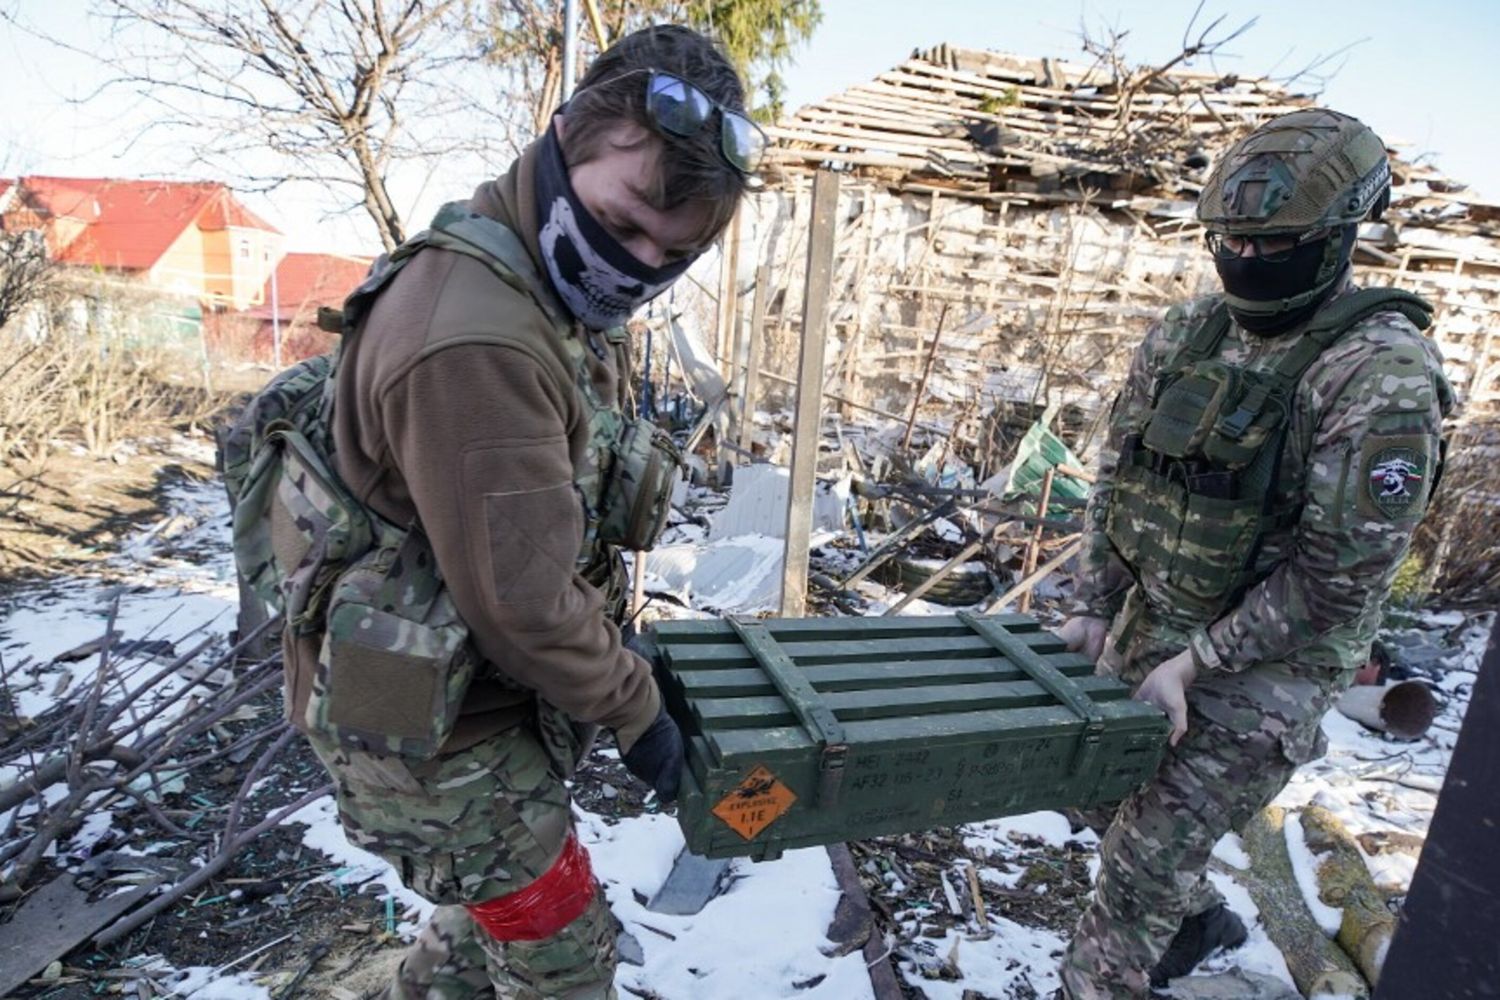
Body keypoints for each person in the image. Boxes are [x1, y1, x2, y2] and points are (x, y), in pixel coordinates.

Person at [228, 25, 763, 1000]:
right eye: (630, 216)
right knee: (562, 959)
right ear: (568, 135)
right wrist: (639, 712)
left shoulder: (531, 271)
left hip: (467, 699)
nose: (636, 263)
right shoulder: (482, 338)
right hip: (436, 738)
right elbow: (520, 602)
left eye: (670, 250)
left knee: (479, 928)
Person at [1055, 108, 1454, 998]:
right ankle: (1198, 919)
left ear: (1338, 235)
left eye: (1272, 242)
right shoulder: (1192, 333)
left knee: (1131, 883)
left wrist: (1200, 663)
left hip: (1269, 663)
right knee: (1097, 800)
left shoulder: (1377, 375)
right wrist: (1091, 602)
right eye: (1229, 238)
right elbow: (1121, 473)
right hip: (1158, 617)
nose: (1245, 257)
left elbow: (1335, 583)